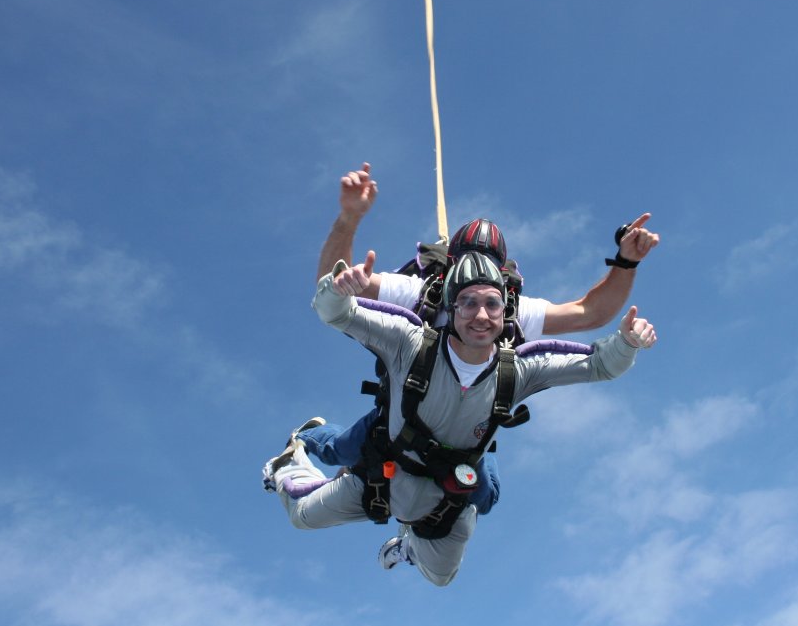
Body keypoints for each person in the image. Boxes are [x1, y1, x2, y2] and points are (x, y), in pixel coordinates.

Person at [281, 162, 659, 513]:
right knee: (343, 449)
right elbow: (333, 284)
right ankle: (307, 437)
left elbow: (590, 313)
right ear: (448, 270)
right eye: (465, 266)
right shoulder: (419, 292)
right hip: (404, 409)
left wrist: (626, 262)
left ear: (503, 280)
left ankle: (417, 539)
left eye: (488, 274)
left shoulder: (507, 311)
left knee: (485, 494)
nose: (477, 283)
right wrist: (349, 218)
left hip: (465, 425)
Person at [266, 249, 657, 586]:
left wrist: (627, 343)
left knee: (442, 577)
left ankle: (411, 545)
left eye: (491, 304)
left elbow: (600, 365)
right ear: (450, 309)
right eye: (468, 303)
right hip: (382, 474)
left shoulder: (520, 370)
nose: (480, 315)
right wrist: (337, 290)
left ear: (506, 312)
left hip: (445, 502)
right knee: (303, 516)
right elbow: (336, 314)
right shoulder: (409, 340)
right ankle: (290, 462)